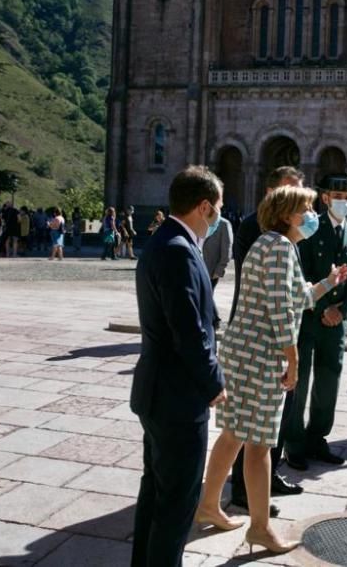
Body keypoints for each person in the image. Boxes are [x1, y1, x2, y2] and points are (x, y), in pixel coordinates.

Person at [196, 185, 347, 555]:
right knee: (260, 444)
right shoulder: (281, 248)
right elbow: (282, 312)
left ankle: (208, 504)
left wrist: (329, 282)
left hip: (241, 352)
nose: (312, 214)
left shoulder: (271, 244)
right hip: (261, 356)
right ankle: (261, 528)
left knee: (234, 434)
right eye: (307, 208)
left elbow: (296, 297)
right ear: (288, 214)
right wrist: (293, 361)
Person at [130, 166, 227, 567]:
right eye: (218, 208)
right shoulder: (178, 250)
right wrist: (213, 383)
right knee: (176, 504)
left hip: (159, 392)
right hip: (176, 397)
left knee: (156, 492)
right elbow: (189, 332)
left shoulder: (166, 242)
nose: (220, 216)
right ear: (204, 206)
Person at [227, 165, 306, 516]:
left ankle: (268, 477)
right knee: (251, 426)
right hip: (262, 339)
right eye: (293, 193)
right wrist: (292, 355)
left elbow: (291, 288)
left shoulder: (286, 238)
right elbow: (274, 299)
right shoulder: (259, 231)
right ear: (274, 194)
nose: (303, 205)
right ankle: (245, 491)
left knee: (278, 417)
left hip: (269, 338)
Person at [283, 174, 347, 470]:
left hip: (336, 323)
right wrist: (322, 310)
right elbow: (300, 273)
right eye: (338, 196)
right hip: (309, 318)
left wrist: (342, 312)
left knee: (329, 380)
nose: (344, 201)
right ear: (326, 198)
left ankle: (317, 438)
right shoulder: (311, 229)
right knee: (300, 381)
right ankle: (294, 444)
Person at [202, 215, 233, 328]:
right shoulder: (201, 221)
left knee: (206, 294)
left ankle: (215, 320)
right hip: (201, 267)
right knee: (205, 294)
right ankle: (212, 320)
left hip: (212, 269)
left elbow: (227, 249)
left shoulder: (224, 224)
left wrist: (220, 269)